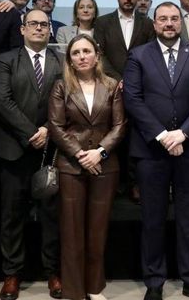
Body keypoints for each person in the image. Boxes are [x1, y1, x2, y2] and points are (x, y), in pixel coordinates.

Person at [123, 2, 189, 300]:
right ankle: (154, 280)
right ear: (154, 24)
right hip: (152, 149)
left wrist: (183, 134)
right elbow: (133, 100)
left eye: (174, 19)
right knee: (153, 218)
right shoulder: (138, 55)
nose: (169, 23)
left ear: (181, 23)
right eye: (163, 19)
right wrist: (164, 136)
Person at [0, 9, 64, 300]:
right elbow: (2, 100)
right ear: (22, 29)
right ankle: (12, 274)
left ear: (50, 30)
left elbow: (67, 98)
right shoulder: (6, 60)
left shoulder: (61, 61)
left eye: (44, 24)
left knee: (51, 216)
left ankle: (52, 272)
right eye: (33, 24)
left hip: (51, 150)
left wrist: (47, 129)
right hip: (13, 150)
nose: (38, 28)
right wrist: (30, 132)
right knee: (12, 215)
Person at [48, 34, 126, 300]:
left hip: (105, 166)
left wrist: (100, 153)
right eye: (76, 53)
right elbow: (56, 127)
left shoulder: (112, 85)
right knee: (71, 232)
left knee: (97, 231)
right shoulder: (61, 86)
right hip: (71, 165)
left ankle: (94, 287)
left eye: (86, 51)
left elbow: (119, 126)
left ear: (97, 55)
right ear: (69, 60)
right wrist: (82, 154)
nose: (81, 56)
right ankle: (74, 291)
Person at [92, 0, 155, 202]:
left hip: (140, 90)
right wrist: (118, 79)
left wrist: (131, 79)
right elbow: (100, 55)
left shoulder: (147, 24)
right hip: (110, 88)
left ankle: (135, 183)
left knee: (136, 138)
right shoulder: (102, 22)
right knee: (113, 136)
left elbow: (150, 54)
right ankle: (114, 184)